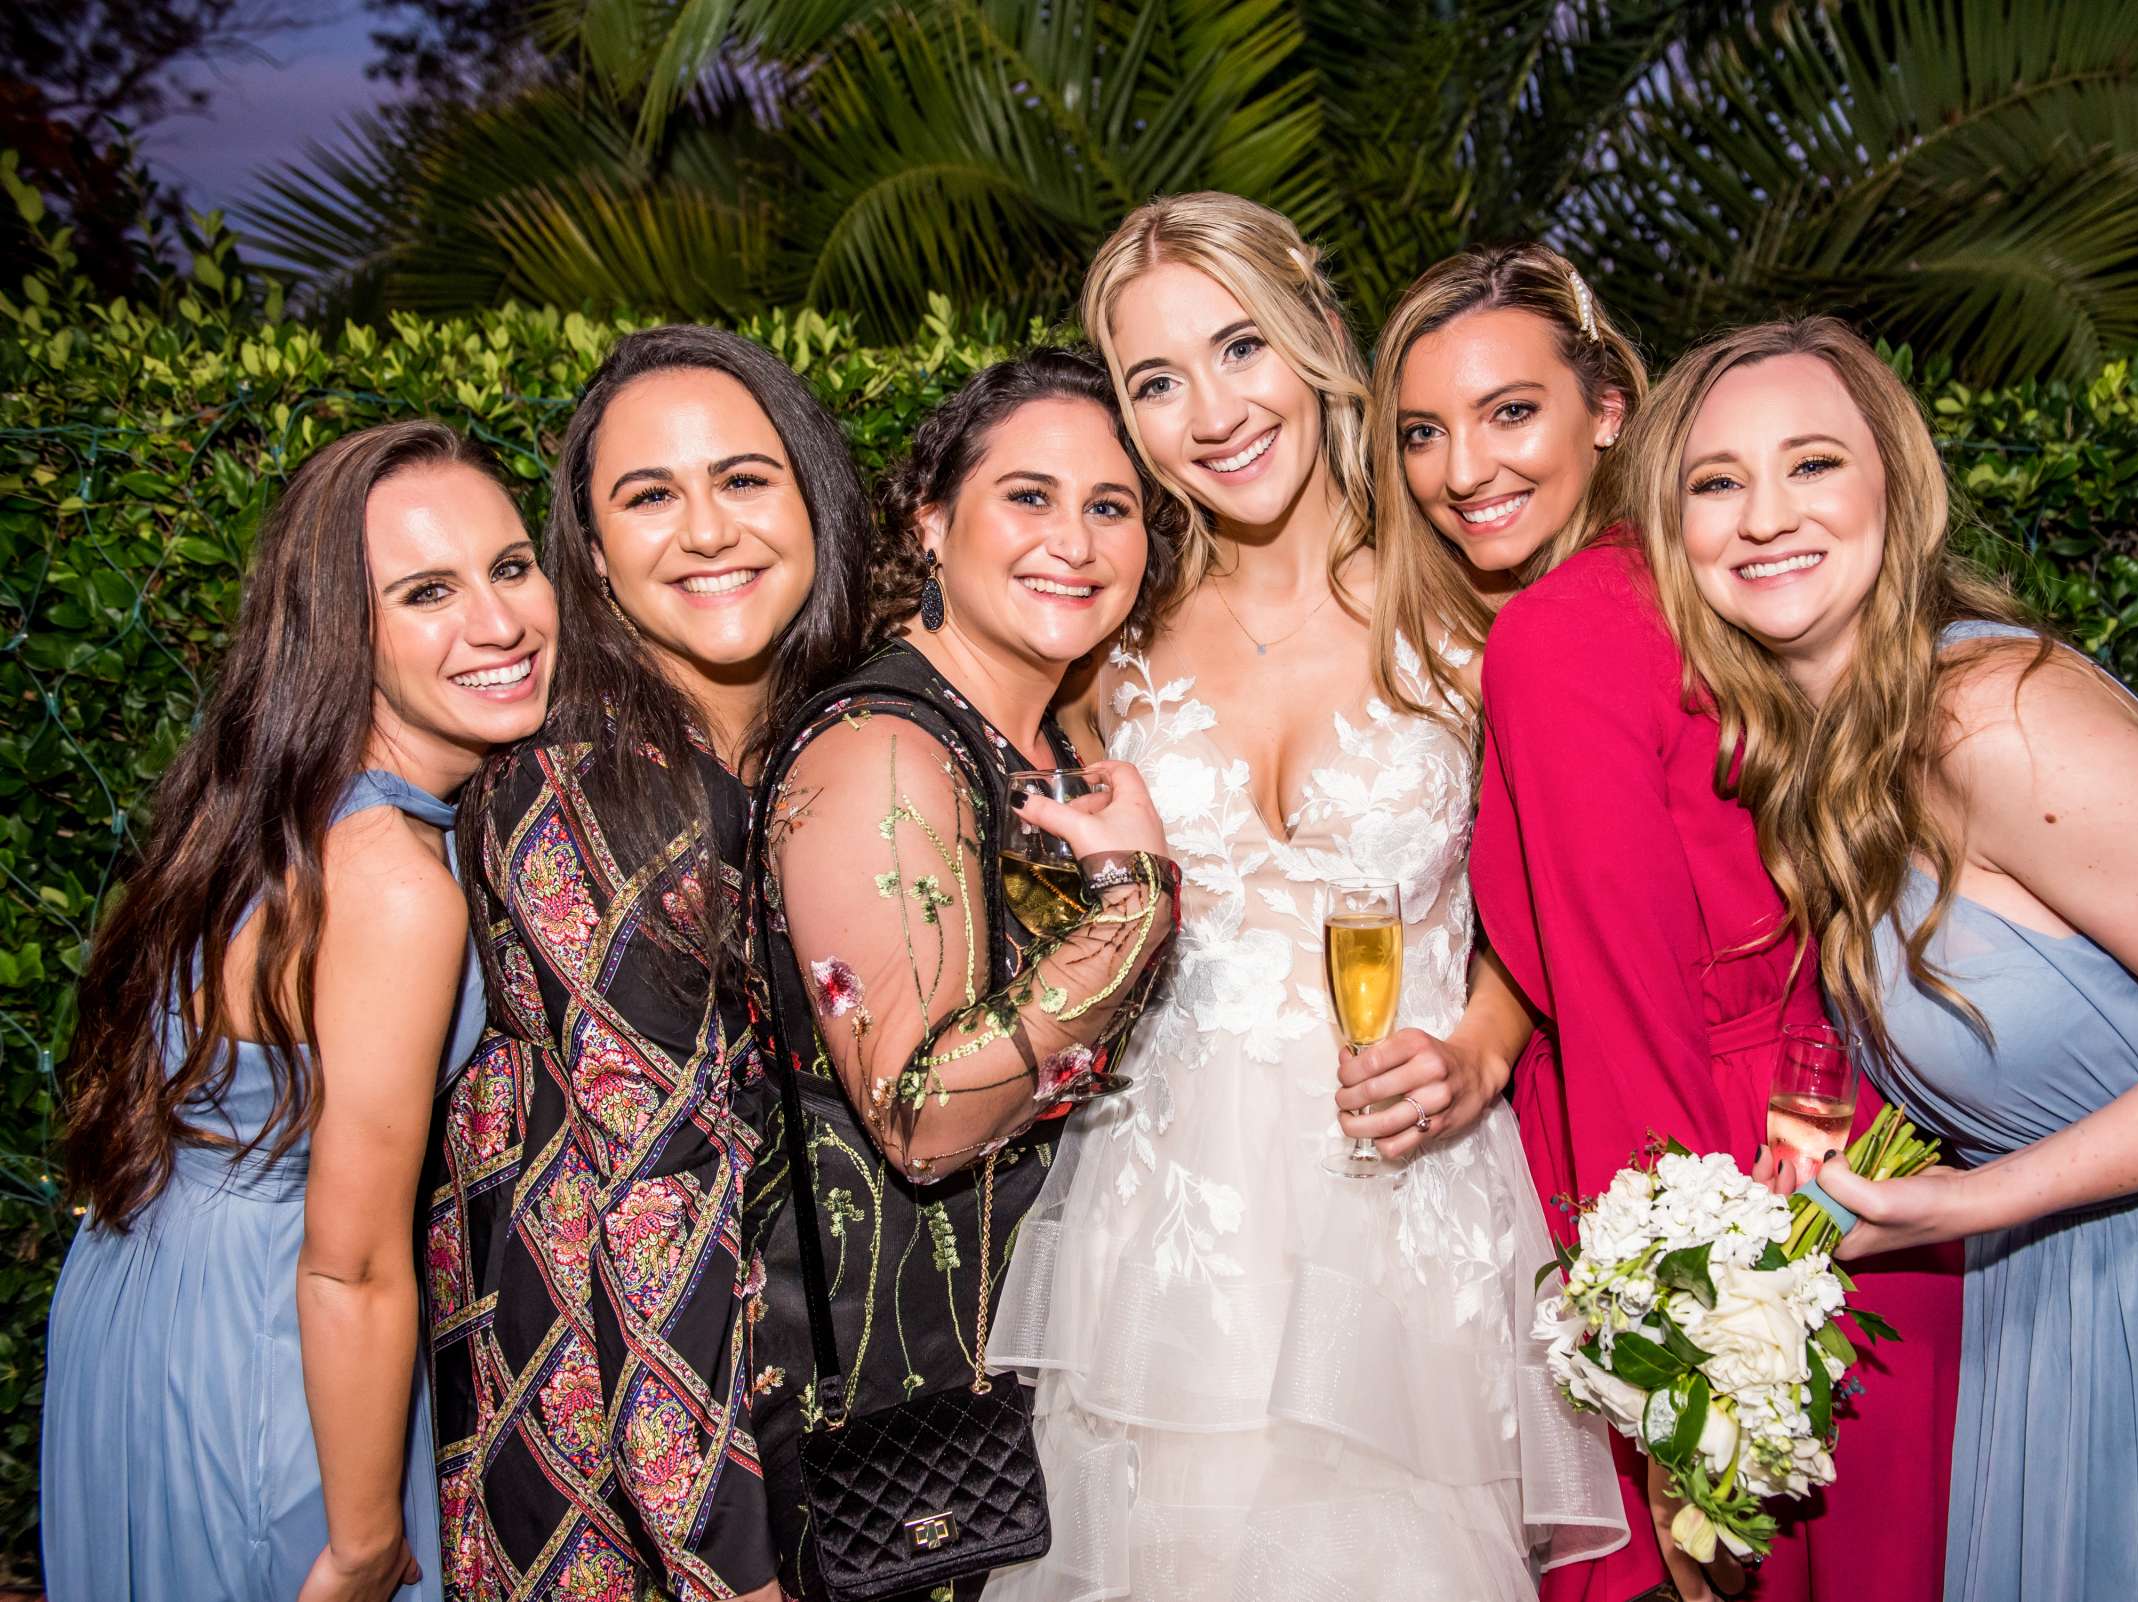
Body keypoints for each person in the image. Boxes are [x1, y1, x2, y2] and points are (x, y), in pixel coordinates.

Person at [1627, 314, 2138, 1601]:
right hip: (2072, 1306)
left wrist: (1976, 1201)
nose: (1764, 515)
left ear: (1895, 491)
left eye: (1813, 464)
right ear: (1675, 532)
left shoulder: (1990, 714)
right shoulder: (1824, 765)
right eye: (1717, 482)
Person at [985, 196, 1627, 1602]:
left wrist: (1485, 1045)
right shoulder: (1108, 637)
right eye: (1156, 381)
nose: (1210, 412)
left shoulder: (1475, 606)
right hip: (1162, 1223)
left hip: (1403, 1204)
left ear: (1319, 339)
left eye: (1239, 349)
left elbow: (1560, 888)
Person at [1390, 249, 1962, 1602]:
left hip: (1710, 1220)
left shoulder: (1565, 628)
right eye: (1422, 431)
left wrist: (1676, 1384)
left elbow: (1623, 1007)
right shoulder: (1711, 585)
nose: (1463, 466)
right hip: (1830, 1172)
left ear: (1608, 407)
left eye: (1509, 411)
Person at [45, 420, 556, 1602]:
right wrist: (369, 1540)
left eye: (512, 566)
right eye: (429, 591)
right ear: (341, 627)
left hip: (144, 1295)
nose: (499, 622)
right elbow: (351, 1269)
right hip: (272, 1349)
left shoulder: (262, 805)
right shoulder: (391, 884)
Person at [424, 325, 872, 1602]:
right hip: (642, 1468)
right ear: (595, 552)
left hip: (818, 1414)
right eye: (650, 496)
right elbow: (650, 1202)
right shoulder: (571, 795)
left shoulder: (829, 743)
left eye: (743, 478)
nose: (708, 530)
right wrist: (727, 1569)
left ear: (811, 497)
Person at [746, 348, 1183, 1598]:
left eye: (1112, 506)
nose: (1078, 540)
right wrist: (1137, 902)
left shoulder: (1038, 736)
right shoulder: (886, 749)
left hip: (1020, 1363)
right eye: (1029, 497)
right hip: (900, 1396)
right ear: (933, 518)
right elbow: (924, 1116)